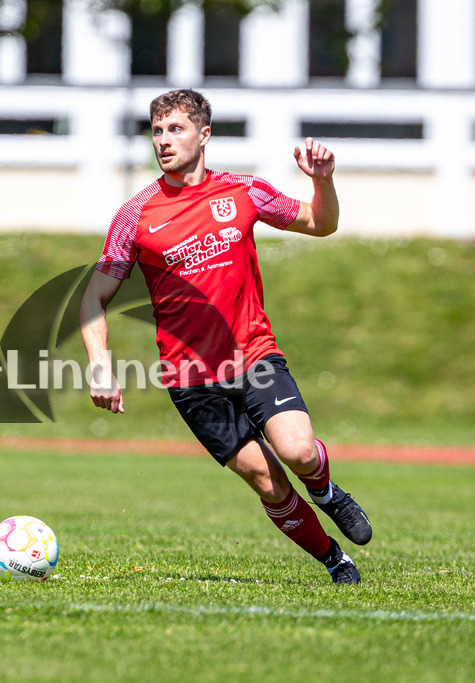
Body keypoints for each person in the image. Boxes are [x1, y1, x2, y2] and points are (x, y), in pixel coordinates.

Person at [79, 89, 371, 585]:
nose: (163, 140)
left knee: (299, 452)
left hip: (254, 357)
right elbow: (93, 299)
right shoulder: (135, 215)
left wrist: (323, 181)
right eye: (157, 130)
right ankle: (334, 560)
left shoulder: (243, 191)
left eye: (176, 129)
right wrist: (100, 364)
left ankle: (326, 492)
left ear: (204, 135)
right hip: (190, 380)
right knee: (268, 482)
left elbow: (322, 224)